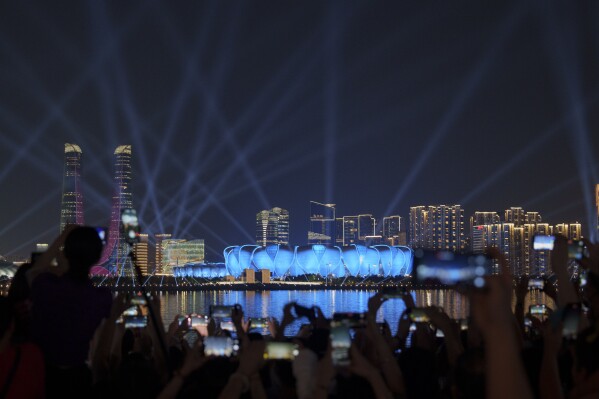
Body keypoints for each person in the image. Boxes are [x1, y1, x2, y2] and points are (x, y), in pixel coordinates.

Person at [27, 226, 112, 397]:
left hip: (42, 375)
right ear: (97, 258)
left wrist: (64, 235)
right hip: (78, 379)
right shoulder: (101, 298)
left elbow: (32, 272)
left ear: (66, 253)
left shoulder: (48, 287)